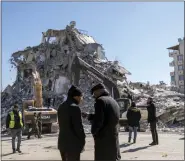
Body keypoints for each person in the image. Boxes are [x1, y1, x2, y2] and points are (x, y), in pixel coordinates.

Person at [88, 83, 121, 161]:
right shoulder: (113, 101)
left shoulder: (100, 101)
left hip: (103, 139)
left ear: (98, 92)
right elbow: (108, 117)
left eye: (94, 94)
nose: (94, 97)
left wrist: (94, 132)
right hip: (113, 137)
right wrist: (90, 116)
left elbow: (99, 121)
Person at [57, 85, 86, 161]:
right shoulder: (75, 108)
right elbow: (78, 128)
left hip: (62, 144)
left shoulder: (61, 106)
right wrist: (83, 141)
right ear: (76, 97)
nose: (81, 99)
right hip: (73, 146)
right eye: (81, 97)